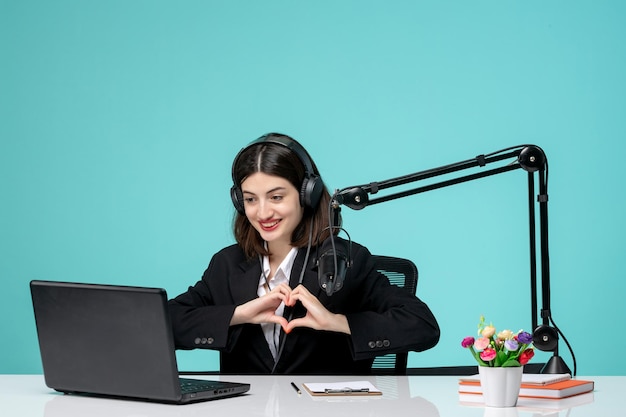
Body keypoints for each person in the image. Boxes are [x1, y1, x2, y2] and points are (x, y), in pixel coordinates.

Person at [168, 133, 440, 374]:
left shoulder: (347, 261)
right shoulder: (227, 264)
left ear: (306, 195)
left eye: (276, 197)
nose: (262, 213)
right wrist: (238, 315)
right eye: (251, 199)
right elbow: (166, 323)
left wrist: (337, 322)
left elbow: (422, 325)